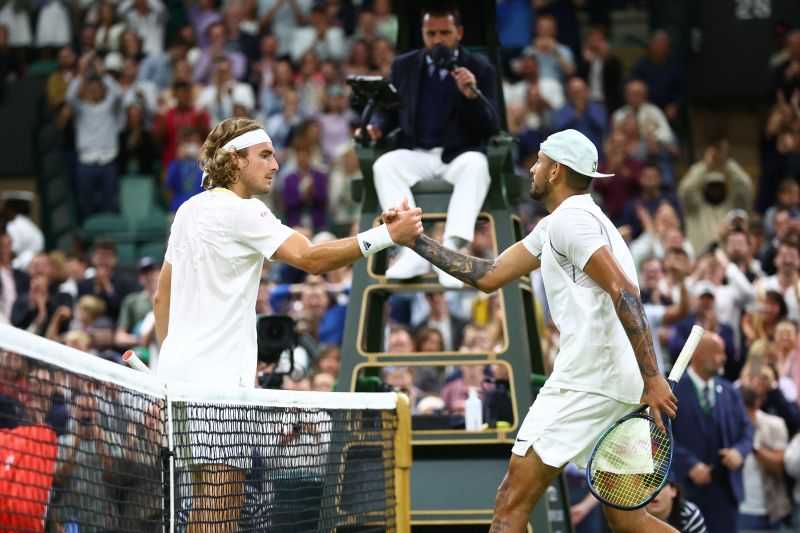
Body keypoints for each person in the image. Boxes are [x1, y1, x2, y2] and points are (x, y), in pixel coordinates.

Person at [153, 117, 422, 532]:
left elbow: (160, 297)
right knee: (222, 499)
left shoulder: (188, 210)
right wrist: (386, 236)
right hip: (216, 382)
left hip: (175, 376)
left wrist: (168, 362)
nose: (275, 164)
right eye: (264, 155)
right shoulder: (245, 212)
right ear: (234, 160)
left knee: (207, 497)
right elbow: (312, 259)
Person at [404, 128, 678, 532]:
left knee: (510, 505)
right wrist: (417, 242)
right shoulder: (561, 225)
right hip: (619, 385)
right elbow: (489, 274)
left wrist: (654, 378)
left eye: (539, 161)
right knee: (628, 520)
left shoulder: (573, 223)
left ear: (555, 172)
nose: (532, 168)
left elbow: (625, 293)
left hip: (587, 380)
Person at [364, 6, 499, 288]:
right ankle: (412, 247)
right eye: (431, 33)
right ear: (423, 34)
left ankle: (450, 252)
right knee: (384, 165)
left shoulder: (479, 67)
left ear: (459, 33)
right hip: (417, 153)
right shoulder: (404, 65)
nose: (437, 40)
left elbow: (491, 127)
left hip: (458, 155)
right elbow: (388, 111)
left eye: (445, 33)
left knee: (477, 165)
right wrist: (376, 127)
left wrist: (472, 97)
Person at [671, 333, 753, 533]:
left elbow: (747, 430)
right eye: (718, 352)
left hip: (725, 494)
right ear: (698, 354)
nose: (723, 357)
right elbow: (660, 435)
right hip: (686, 492)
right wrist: (689, 465)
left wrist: (739, 452)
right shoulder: (672, 391)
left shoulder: (729, 391)